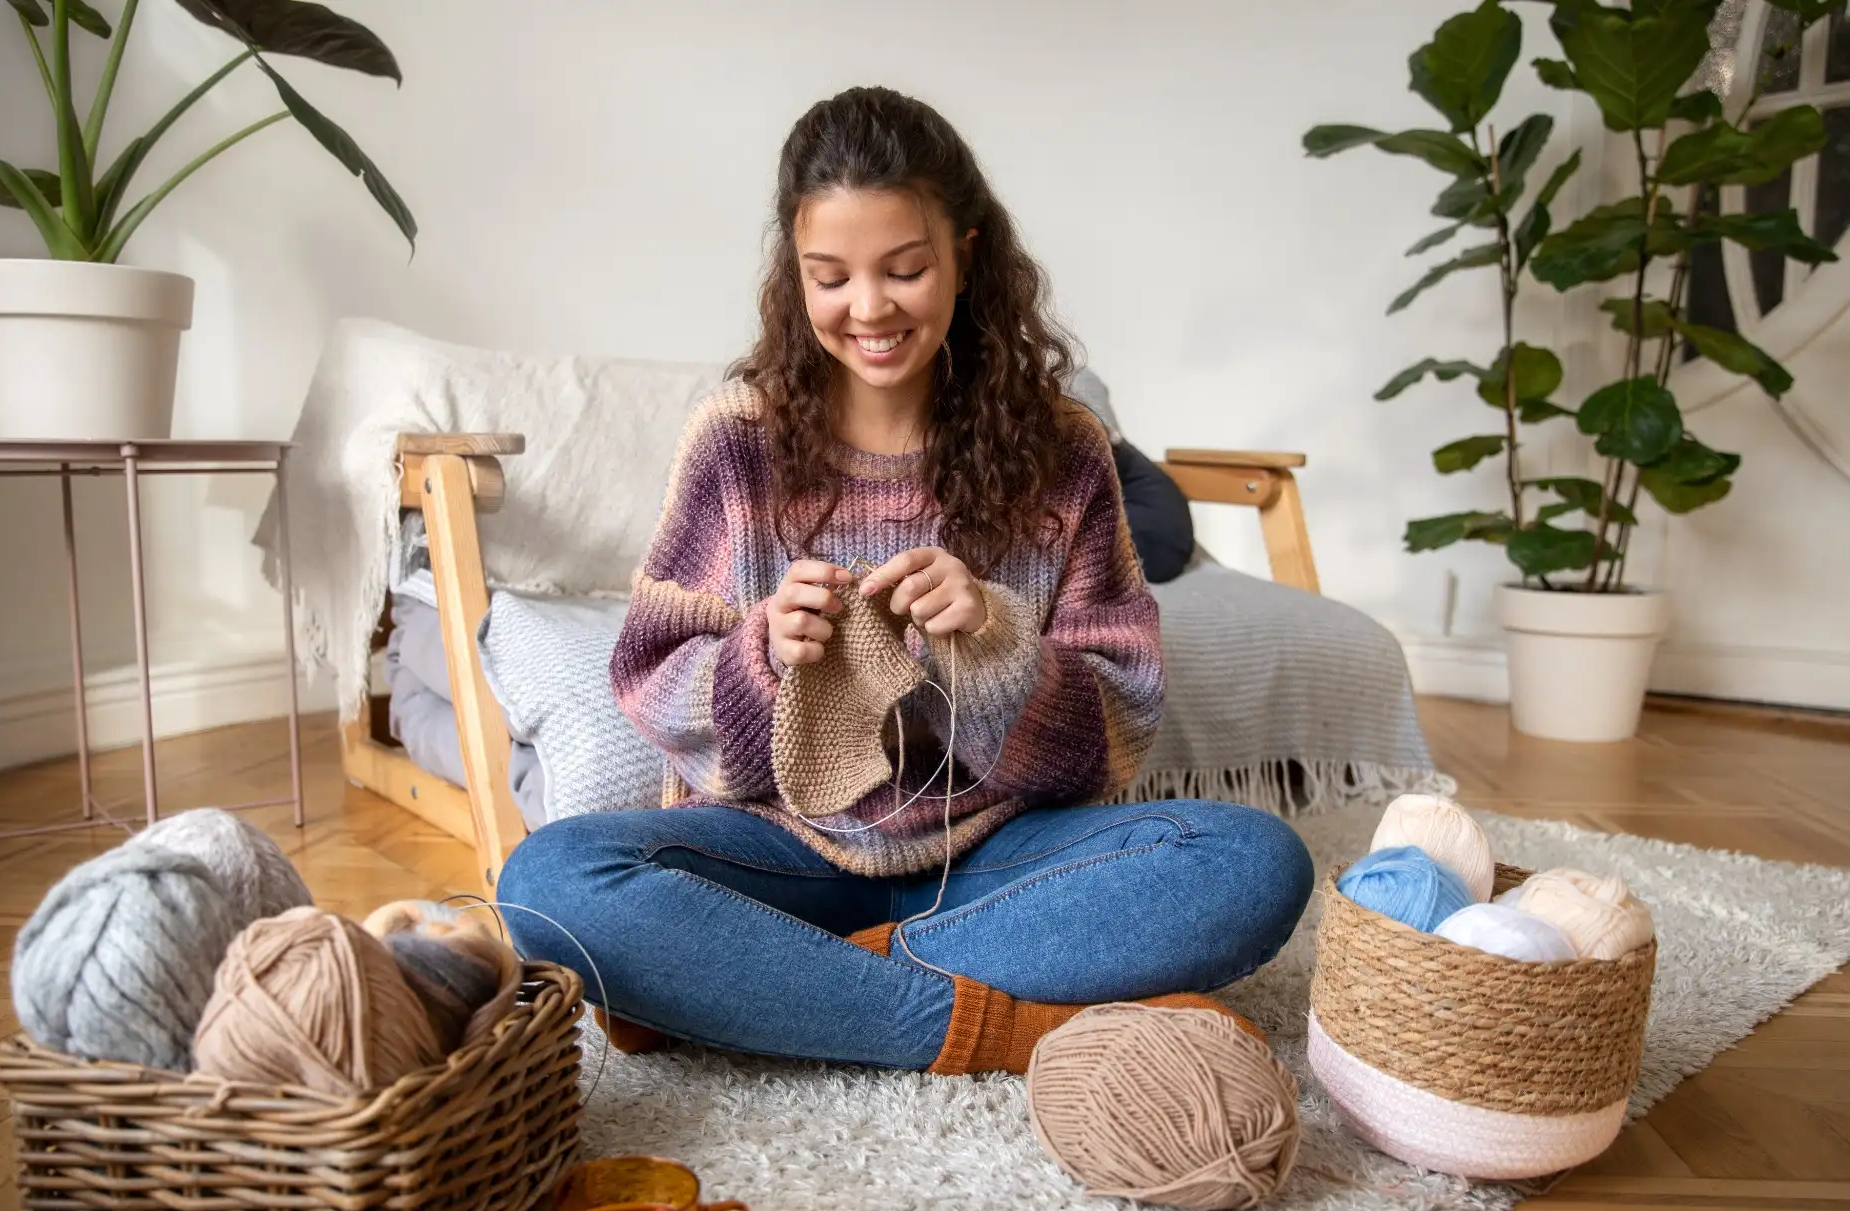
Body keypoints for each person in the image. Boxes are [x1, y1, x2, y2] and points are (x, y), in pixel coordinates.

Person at [498, 86, 1312, 1074]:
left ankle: (777, 984)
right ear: (793, 273)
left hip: (995, 861)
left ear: (965, 252)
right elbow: (650, 678)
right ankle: (997, 1024)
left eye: (905, 269)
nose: (868, 309)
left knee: (1253, 863)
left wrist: (998, 644)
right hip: (779, 855)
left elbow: (1117, 736)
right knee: (549, 884)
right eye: (829, 277)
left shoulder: (1063, 450)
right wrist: (762, 658)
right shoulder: (736, 438)